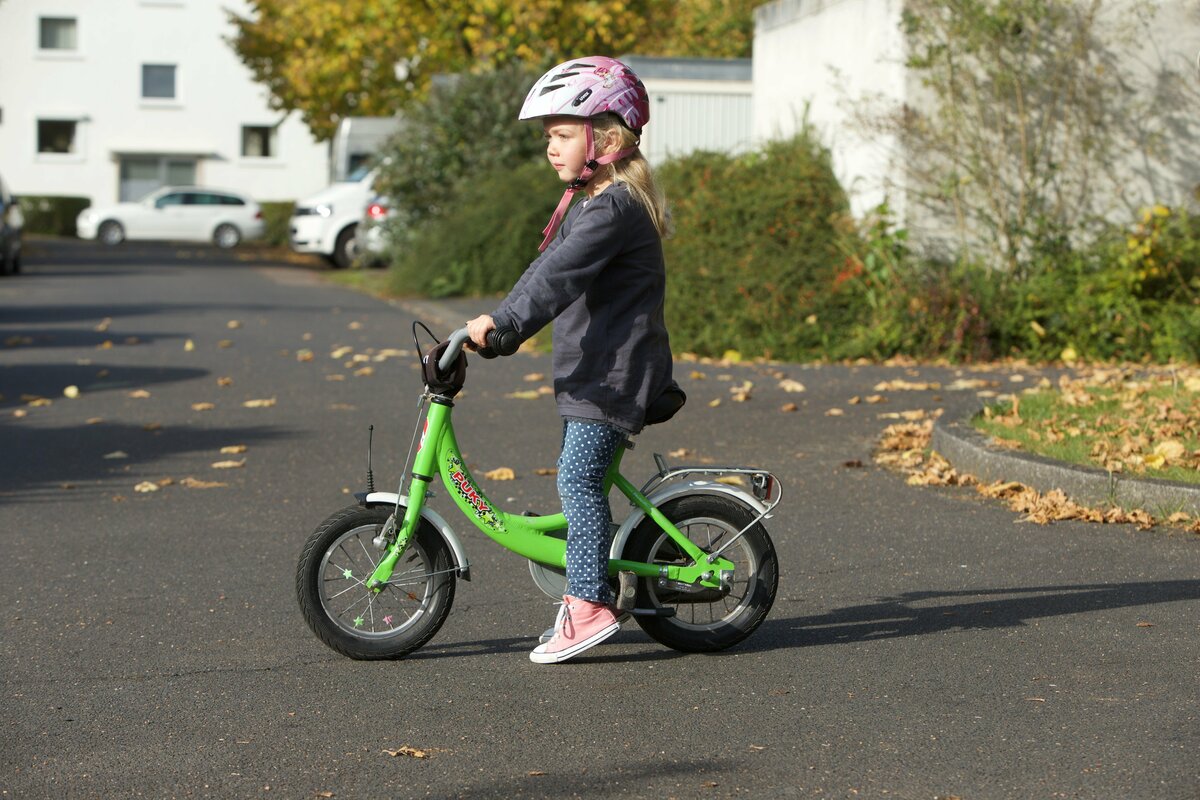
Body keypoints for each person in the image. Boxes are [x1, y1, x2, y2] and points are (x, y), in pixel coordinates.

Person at [465, 57, 675, 664]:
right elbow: (542, 271)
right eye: (549, 137)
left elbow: (558, 278)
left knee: (578, 480)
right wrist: (497, 321)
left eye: (561, 134)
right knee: (581, 476)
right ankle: (598, 578)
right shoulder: (587, 203)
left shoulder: (613, 208)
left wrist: (504, 328)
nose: (550, 148)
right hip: (595, 371)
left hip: (613, 375)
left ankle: (587, 605)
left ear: (605, 140)